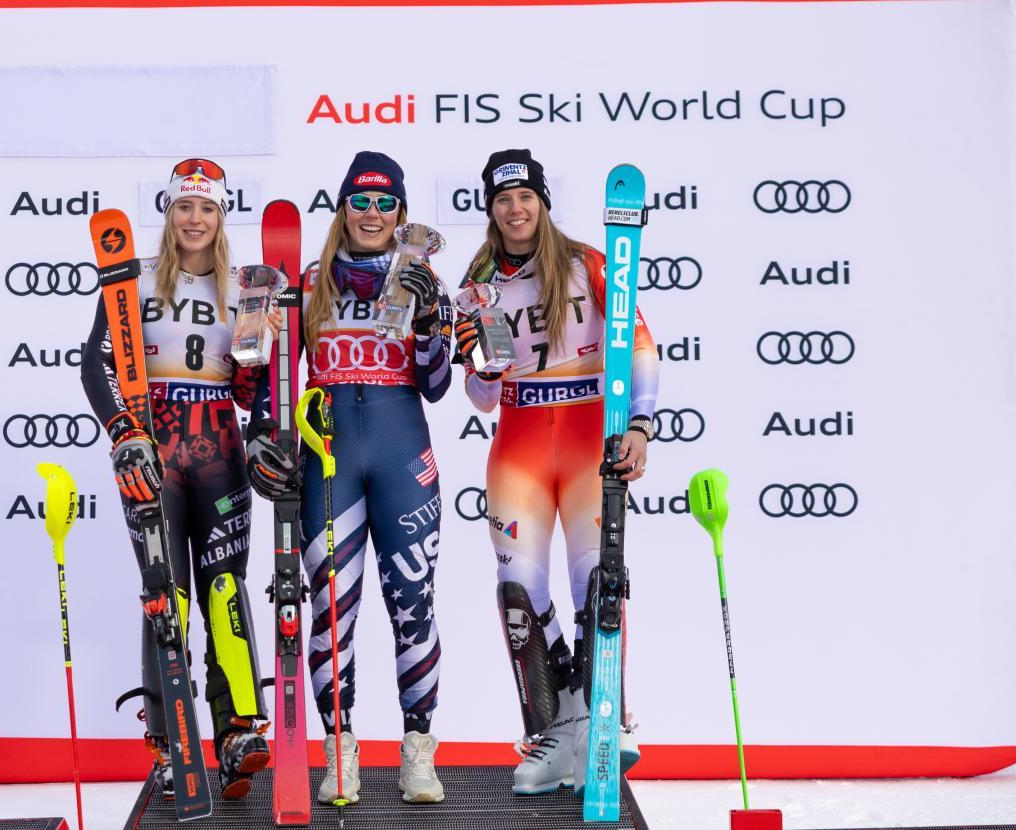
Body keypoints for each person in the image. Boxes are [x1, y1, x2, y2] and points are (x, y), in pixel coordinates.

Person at [246, 151, 454, 804]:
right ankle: (341, 751)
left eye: (384, 202)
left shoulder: (423, 277)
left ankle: (418, 753)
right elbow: (270, 377)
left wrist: (426, 323)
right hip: (328, 456)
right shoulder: (306, 282)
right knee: (332, 611)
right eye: (359, 202)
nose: (371, 214)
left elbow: (441, 385)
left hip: (401, 453)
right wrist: (263, 442)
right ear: (342, 209)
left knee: (412, 602)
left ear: (401, 212)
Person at [455, 149, 660, 794]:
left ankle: (608, 717)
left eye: (526, 197)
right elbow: (481, 398)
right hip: (517, 446)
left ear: (543, 201)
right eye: (503, 199)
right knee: (519, 595)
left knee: (598, 582)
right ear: (490, 208)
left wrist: (640, 425)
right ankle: (559, 728)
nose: (515, 210)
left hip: (586, 440)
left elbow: (642, 347)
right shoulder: (478, 281)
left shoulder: (587, 265)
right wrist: (484, 372)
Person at [81, 158, 279, 801]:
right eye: (184, 208)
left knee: (225, 585)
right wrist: (123, 432)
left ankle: (237, 731)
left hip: (218, 445)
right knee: (165, 592)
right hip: (153, 449)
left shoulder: (242, 289)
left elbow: (250, 394)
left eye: (208, 209)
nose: (195, 219)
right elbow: (96, 364)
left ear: (222, 217)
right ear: (169, 214)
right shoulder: (134, 282)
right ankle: (170, 741)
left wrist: (260, 345)